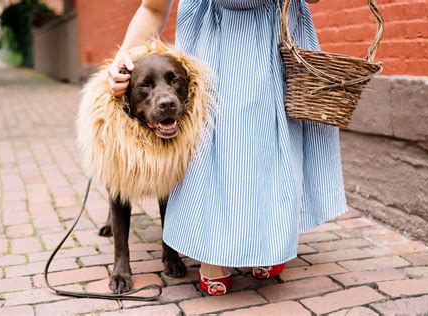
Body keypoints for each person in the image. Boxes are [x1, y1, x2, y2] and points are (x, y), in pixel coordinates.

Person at [108, 0, 347, 296]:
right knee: (215, 145)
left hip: (276, 36)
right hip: (212, 42)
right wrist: (123, 56)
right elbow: (153, 8)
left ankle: (268, 239)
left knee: (270, 140)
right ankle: (212, 247)